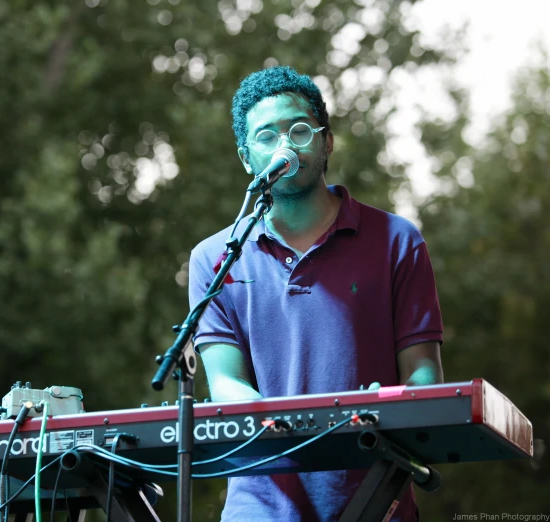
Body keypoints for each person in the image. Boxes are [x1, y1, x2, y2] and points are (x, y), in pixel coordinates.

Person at [188, 65, 444, 521]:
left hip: (377, 497)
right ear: (247, 157)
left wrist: (384, 409)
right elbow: (225, 381)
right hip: (260, 506)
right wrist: (266, 417)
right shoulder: (213, 258)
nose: (286, 145)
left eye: (300, 130)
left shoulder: (397, 240)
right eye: (267, 136)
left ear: (326, 142)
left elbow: (423, 374)